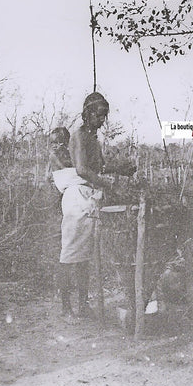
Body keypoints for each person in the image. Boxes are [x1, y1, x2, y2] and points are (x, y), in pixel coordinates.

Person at [56, 92, 112, 318]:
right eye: (98, 115)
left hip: (89, 196)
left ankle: (82, 304)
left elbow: (99, 169)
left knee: (84, 256)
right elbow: (81, 170)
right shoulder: (79, 136)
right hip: (77, 197)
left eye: (104, 116)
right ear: (87, 114)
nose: (101, 121)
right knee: (70, 254)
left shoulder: (94, 140)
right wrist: (108, 183)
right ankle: (65, 307)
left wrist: (119, 170)